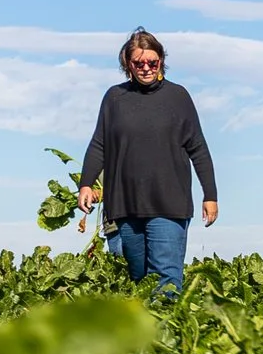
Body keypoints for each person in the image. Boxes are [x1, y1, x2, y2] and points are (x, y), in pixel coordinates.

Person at [78, 29, 217, 295]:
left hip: (169, 204)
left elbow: (198, 147)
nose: (146, 68)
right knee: (139, 282)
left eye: (152, 62)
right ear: (128, 65)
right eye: (138, 63)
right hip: (126, 206)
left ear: (161, 61)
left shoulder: (178, 97)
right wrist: (86, 183)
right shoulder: (114, 98)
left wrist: (210, 195)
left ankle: (167, 322)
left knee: (165, 282)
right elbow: (99, 144)